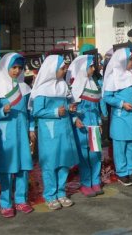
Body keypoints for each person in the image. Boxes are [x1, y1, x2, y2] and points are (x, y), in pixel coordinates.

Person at [30, 55, 78, 210]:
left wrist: (71, 109)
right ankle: (50, 195)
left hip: (64, 130)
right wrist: (55, 112)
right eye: (62, 68)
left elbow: (68, 103)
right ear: (52, 70)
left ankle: (61, 192)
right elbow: (37, 111)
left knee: (64, 161)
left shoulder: (63, 86)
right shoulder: (41, 89)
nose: (65, 71)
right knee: (50, 163)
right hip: (49, 132)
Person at [0, 53, 35, 218]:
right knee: (6, 170)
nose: (17, 71)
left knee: (23, 168)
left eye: (20, 68)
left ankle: (21, 200)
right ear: (5, 68)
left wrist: (31, 129)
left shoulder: (25, 88)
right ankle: (5, 203)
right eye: (14, 67)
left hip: (22, 134)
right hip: (5, 136)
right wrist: (2, 110)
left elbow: (30, 112)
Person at [103, 48, 132, 186]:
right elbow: (107, 97)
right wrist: (121, 104)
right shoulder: (113, 77)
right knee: (120, 145)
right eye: (130, 60)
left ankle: (130, 170)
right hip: (121, 116)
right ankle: (122, 172)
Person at [67, 55, 104, 197]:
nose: (93, 69)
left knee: (95, 154)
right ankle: (86, 183)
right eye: (91, 66)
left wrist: (99, 122)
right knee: (84, 156)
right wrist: (75, 119)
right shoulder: (75, 86)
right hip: (81, 126)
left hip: (94, 124)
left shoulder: (92, 83)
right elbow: (71, 107)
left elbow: (96, 106)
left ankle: (95, 181)